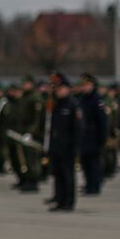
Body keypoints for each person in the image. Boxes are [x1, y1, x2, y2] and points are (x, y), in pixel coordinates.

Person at [47, 76, 81, 211]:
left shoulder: (73, 105)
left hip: (68, 147)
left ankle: (68, 202)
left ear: (68, 89)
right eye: (57, 89)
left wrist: (75, 147)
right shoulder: (57, 104)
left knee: (68, 175)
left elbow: (78, 129)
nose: (59, 91)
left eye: (61, 89)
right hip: (57, 146)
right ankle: (60, 200)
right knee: (58, 175)